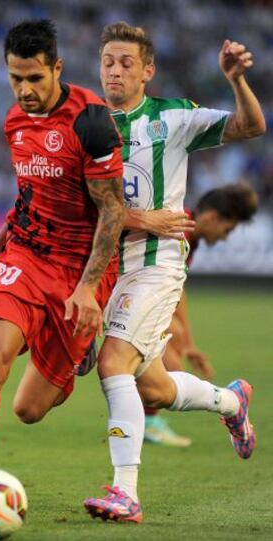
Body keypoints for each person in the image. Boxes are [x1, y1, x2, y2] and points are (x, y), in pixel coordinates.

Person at [0, 19, 129, 521]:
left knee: (30, 409)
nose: (25, 90)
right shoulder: (15, 121)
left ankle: (69, 361)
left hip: (82, 271)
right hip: (27, 257)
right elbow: (28, 195)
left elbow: (113, 213)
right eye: (16, 78)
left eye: (35, 78)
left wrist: (84, 291)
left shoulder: (92, 122)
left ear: (56, 68)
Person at [83, 22, 265, 523]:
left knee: (112, 363)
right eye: (108, 62)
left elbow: (250, 127)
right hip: (108, 271)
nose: (115, 71)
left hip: (156, 264)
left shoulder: (172, 118)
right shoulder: (88, 123)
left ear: (148, 70)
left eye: (126, 63)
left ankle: (126, 492)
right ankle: (232, 402)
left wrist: (235, 80)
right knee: (153, 389)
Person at [144, 182, 259, 446]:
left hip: (136, 294)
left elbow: (177, 289)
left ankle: (146, 420)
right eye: (227, 230)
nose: (224, 237)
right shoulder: (178, 229)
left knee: (172, 352)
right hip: (119, 290)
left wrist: (190, 344)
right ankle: (228, 402)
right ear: (211, 217)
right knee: (170, 369)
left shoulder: (188, 238)